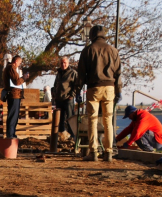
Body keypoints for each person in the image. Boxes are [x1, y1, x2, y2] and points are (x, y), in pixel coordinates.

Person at [77, 25, 121, 162]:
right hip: (109, 88)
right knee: (108, 120)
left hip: (93, 88)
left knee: (93, 120)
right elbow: (118, 73)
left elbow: (81, 74)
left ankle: (94, 152)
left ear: (91, 35)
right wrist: (118, 90)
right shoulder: (113, 50)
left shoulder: (87, 51)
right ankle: (108, 152)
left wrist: (78, 89)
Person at [2, 55, 29, 139]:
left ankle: (12, 133)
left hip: (15, 94)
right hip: (14, 95)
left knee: (14, 116)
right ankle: (10, 134)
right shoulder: (11, 68)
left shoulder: (9, 68)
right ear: (16, 61)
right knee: (13, 116)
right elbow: (17, 82)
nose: (19, 65)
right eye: (19, 63)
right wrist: (24, 78)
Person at [52, 56, 78, 139]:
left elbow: (76, 85)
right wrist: (54, 94)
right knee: (60, 119)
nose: (63, 64)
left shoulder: (72, 73)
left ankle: (72, 136)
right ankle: (61, 135)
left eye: (65, 63)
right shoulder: (59, 73)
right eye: (61, 63)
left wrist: (72, 95)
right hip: (59, 99)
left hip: (68, 99)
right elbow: (55, 84)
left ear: (68, 63)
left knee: (70, 118)